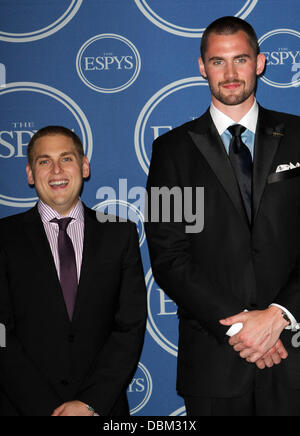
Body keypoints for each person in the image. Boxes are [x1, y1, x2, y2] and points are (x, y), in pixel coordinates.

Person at [145, 16, 300, 416]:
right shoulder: (171, 151)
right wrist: (242, 329)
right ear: (202, 67)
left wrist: (279, 316)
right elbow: (170, 257)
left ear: (260, 63)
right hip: (215, 363)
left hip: (295, 358)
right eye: (218, 62)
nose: (230, 74)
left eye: (241, 59)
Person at [0, 126, 147, 416]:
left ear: (84, 166)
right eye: (44, 161)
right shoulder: (4, 238)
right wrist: (45, 408)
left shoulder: (120, 234)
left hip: (101, 408)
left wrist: (89, 403)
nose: (56, 170)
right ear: (30, 173)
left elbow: (129, 327)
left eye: (66, 158)